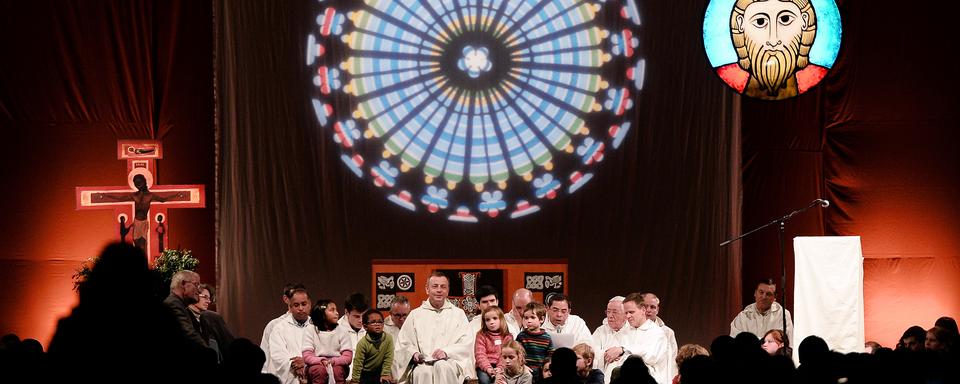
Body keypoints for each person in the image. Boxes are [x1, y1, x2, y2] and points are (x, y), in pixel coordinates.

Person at [715, 0, 826, 100]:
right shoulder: (727, 76)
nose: (773, 41)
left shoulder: (815, 76)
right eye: (760, 22)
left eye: (785, 19)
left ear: (805, 22)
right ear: (740, 24)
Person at [394, 272, 473, 384]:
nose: (439, 290)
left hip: (449, 361)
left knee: (442, 366)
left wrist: (446, 352)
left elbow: (466, 343)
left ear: (448, 290)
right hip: (423, 364)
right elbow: (404, 343)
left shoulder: (458, 314)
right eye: (435, 286)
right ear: (427, 289)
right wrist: (414, 353)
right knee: (423, 372)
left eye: (443, 287)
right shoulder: (415, 315)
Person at [92, 173, 186, 250]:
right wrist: (105, 195)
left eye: (139, 181)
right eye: (135, 182)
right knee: (137, 246)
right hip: (137, 223)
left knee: (143, 246)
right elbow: (119, 199)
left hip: (144, 223)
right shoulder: (134, 195)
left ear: (144, 181)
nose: (137, 184)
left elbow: (163, 200)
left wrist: (177, 195)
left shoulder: (150, 195)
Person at [621, 293, 669, 384]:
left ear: (643, 310)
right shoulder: (624, 332)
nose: (628, 316)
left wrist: (624, 350)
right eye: (626, 313)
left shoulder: (657, 333)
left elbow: (650, 357)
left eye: (631, 312)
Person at [303, 299, 354, 384]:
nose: (337, 313)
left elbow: (347, 357)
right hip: (317, 364)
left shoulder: (342, 330)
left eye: (336, 310)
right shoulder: (310, 330)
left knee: (337, 371)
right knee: (319, 370)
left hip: (337, 364)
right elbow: (307, 356)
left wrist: (333, 361)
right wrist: (321, 361)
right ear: (321, 313)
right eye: (332, 310)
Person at [267, 288, 313, 384]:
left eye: (304, 304)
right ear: (290, 307)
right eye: (296, 305)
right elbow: (277, 355)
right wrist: (294, 365)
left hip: (313, 375)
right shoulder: (279, 328)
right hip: (290, 377)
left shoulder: (318, 326)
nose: (300, 308)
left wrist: (306, 363)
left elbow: (325, 352)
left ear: (310, 304)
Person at [730, 278, 793, 343]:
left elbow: (787, 343)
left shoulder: (783, 315)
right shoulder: (743, 316)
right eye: (761, 292)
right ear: (755, 293)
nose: (764, 297)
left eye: (768, 294)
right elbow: (734, 342)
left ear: (775, 297)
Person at [263, 283, 308, 372]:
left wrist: (306, 363)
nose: (300, 307)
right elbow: (266, 355)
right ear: (286, 299)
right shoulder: (275, 325)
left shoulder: (314, 324)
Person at [164, 270, 208, 348]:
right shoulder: (173, 304)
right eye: (196, 284)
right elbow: (189, 335)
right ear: (184, 284)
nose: (199, 290)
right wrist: (208, 352)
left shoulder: (181, 305)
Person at [591, 296, 630, 383]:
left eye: (615, 312)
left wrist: (621, 352)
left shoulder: (633, 330)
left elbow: (639, 350)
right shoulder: (601, 330)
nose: (610, 316)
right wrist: (607, 354)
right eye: (608, 312)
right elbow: (591, 350)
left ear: (625, 314)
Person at [351, 309, 394, 384]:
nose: (377, 324)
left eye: (380, 322)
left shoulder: (388, 339)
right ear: (365, 326)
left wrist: (385, 373)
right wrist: (355, 380)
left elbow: (388, 357)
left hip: (380, 373)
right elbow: (358, 364)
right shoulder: (362, 343)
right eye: (373, 322)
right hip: (365, 374)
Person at [641, 293, 678, 380]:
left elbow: (673, 360)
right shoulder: (631, 329)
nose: (648, 310)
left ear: (657, 309)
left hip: (662, 377)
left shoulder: (668, 332)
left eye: (652, 307)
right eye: (645, 306)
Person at [475, 306, 515, 384]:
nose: (491, 322)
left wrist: (500, 367)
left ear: (501, 319)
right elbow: (480, 354)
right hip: (485, 367)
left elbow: (506, 355)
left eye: (495, 318)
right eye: (487, 320)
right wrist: (488, 368)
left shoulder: (508, 337)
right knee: (484, 380)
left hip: (503, 365)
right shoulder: (481, 335)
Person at [516, 302, 553, 381]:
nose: (528, 321)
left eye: (532, 317)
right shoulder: (521, 336)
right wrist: (523, 366)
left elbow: (550, 356)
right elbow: (517, 354)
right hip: (525, 370)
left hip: (541, 371)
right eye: (526, 318)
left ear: (541, 319)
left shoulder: (547, 338)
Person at [339, 293, 370, 379]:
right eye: (357, 316)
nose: (361, 320)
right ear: (346, 312)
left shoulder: (372, 328)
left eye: (364, 316)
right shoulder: (335, 330)